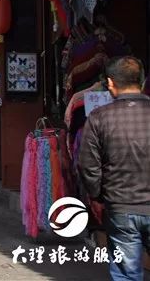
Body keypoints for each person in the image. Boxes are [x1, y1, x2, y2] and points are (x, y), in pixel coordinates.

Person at [78, 56, 149, 281]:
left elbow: (88, 165)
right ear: (142, 81)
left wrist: (97, 195)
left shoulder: (99, 117)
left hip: (120, 206)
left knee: (127, 274)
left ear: (110, 83)